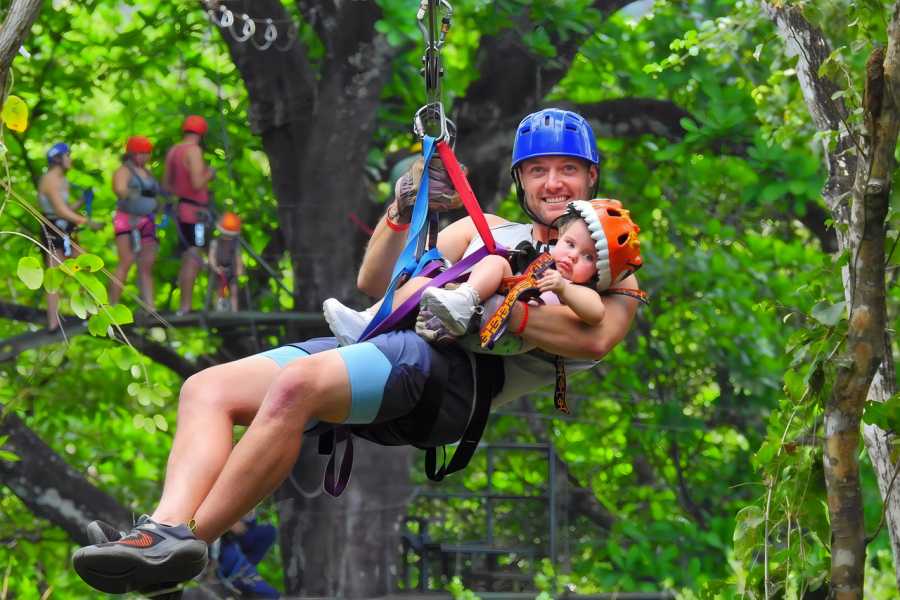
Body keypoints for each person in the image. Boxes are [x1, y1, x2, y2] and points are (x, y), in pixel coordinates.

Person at [71, 108, 642, 595]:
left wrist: (487, 301)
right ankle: (161, 534)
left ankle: (191, 542)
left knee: (298, 385)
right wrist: (403, 208)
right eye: (538, 171)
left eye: (568, 169)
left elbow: (593, 338)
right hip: (389, 342)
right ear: (520, 179)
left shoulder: (610, 273)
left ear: (591, 177)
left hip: (449, 382)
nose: (553, 184)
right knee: (207, 389)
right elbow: (375, 280)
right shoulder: (487, 232)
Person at [323, 198, 643, 346]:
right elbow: (372, 280)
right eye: (570, 244)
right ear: (559, 237)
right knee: (426, 280)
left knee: (498, 264)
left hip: (504, 332)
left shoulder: (580, 289)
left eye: (588, 257)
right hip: (481, 300)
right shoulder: (537, 253)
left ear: (597, 273)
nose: (573, 257)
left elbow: (595, 314)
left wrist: (563, 288)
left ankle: (466, 300)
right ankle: (367, 321)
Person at [38, 142, 103, 330]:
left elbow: (66, 209)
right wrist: (88, 223)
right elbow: (59, 210)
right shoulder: (50, 179)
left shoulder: (63, 180)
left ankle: (92, 312)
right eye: (68, 155)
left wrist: (82, 200)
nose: (70, 159)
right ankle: (53, 322)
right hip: (51, 229)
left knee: (85, 267)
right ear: (58, 159)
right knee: (54, 275)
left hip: (67, 228)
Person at [164, 115, 215, 315]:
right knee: (193, 257)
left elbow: (166, 185)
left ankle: (184, 305)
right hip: (196, 214)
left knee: (188, 255)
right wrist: (209, 174)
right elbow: (196, 183)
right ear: (201, 134)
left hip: (180, 211)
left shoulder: (173, 151)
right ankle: (186, 305)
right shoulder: (193, 151)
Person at [109, 136, 162, 308]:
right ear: (132, 154)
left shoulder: (147, 172)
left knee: (147, 264)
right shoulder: (124, 171)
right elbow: (119, 189)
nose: (145, 157)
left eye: (147, 153)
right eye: (142, 153)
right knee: (126, 260)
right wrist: (132, 193)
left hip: (147, 221)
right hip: (127, 220)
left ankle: (150, 306)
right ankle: (112, 304)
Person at [208, 211, 244, 312]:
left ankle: (234, 311)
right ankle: (218, 310)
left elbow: (238, 257)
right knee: (218, 291)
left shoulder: (235, 244)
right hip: (219, 271)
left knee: (234, 291)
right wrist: (215, 268)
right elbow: (212, 257)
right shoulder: (215, 242)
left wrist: (239, 269)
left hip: (231, 270)